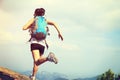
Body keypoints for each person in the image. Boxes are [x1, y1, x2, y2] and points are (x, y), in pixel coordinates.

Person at [22, 8, 63, 80]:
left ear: (35, 13)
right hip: (43, 44)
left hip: (35, 42)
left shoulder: (34, 19)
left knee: (37, 61)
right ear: (43, 14)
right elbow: (54, 23)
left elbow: (24, 27)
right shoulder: (45, 20)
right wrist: (59, 33)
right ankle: (33, 76)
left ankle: (48, 58)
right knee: (38, 61)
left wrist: (31, 25)